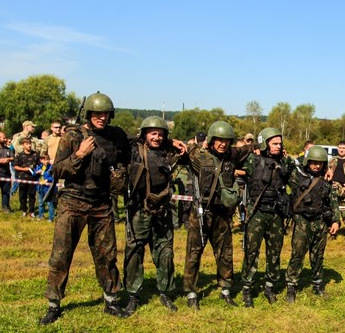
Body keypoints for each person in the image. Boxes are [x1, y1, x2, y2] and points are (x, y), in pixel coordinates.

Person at [39, 92, 133, 325]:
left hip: (101, 204)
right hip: (73, 202)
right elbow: (58, 170)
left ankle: (111, 300)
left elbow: (137, 146)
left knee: (107, 255)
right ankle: (53, 304)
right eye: (97, 114)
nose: (101, 118)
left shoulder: (116, 136)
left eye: (105, 114)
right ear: (89, 114)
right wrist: (79, 154)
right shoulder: (72, 135)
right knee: (61, 255)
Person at [182, 121, 251, 309]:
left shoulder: (233, 156)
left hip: (222, 214)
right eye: (219, 140)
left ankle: (226, 290)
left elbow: (250, 148)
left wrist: (261, 147)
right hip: (201, 213)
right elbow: (183, 149)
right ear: (211, 140)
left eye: (227, 141)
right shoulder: (199, 155)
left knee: (225, 253)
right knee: (194, 253)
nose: (223, 144)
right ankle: (191, 292)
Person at [122, 116, 186, 316]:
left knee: (165, 253)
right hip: (139, 209)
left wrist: (172, 143)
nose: (157, 138)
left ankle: (166, 292)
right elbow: (122, 139)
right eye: (153, 133)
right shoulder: (133, 150)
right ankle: (133, 294)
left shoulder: (167, 152)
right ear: (144, 134)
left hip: (162, 210)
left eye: (161, 134)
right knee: (134, 252)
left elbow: (189, 152)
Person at [241, 127, 295, 307]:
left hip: (276, 215)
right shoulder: (252, 160)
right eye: (275, 143)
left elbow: (302, 170)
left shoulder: (284, 163)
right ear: (265, 143)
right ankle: (247, 289)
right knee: (251, 252)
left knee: (274, 253)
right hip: (257, 213)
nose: (279, 146)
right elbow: (233, 160)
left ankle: (269, 287)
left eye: (280, 143)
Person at [285, 145, 340, 301]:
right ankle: (291, 286)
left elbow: (333, 200)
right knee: (297, 255)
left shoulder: (326, 180)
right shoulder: (297, 176)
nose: (317, 166)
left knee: (318, 256)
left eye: (320, 163)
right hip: (302, 221)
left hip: (320, 221)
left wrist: (336, 220)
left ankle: (317, 284)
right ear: (307, 162)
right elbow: (289, 165)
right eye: (313, 162)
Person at [14, 136, 40, 219]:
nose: (29, 146)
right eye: (27, 144)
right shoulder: (20, 155)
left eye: (30, 144)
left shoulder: (35, 154)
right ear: (23, 145)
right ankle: (24, 210)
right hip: (23, 177)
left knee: (32, 195)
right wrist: (23, 169)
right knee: (23, 195)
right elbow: (15, 166)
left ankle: (31, 211)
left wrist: (38, 171)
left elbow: (39, 165)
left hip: (32, 178)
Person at [33, 153, 56, 222]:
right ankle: (41, 216)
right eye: (45, 160)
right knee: (41, 203)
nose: (47, 161)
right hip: (40, 187)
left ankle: (51, 218)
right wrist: (36, 173)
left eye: (48, 160)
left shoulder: (51, 168)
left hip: (48, 188)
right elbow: (33, 175)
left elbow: (54, 177)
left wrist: (47, 178)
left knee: (49, 203)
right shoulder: (39, 167)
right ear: (41, 160)